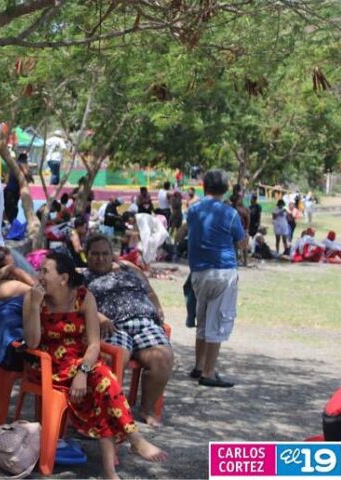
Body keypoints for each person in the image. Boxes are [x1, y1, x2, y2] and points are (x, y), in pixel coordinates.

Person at [23, 252, 167, 478]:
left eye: (44, 271)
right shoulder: (32, 298)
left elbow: (93, 344)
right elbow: (31, 342)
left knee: (102, 383)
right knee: (104, 384)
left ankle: (113, 467)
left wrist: (82, 372)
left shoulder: (83, 297)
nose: (38, 276)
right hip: (49, 364)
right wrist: (33, 307)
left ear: (63, 278)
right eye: (39, 270)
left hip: (82, 361)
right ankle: (131, 443)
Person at [82, 234, 173, 426]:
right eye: (95, 254)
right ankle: (103, 413)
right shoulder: (82, 276)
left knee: (163, 357)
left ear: (112, 254)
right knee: (112, 360)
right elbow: (75, 303)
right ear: (86, 255)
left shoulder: (128, 268)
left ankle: (146, 410)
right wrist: (99, 317)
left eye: (105, 253)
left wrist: (157, 307)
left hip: (145, 322)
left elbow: (149, 291)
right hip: (112, 326)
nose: (100, 258)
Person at [175, 169, 246, 388]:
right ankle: (209, 372)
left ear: (204, 187)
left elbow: (179, 234)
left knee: (203, 321)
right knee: (218, 322)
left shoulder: (194, 209)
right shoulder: (230, 213)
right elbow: (242, 243)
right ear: (225, 189)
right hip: (223, 272)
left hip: (198, 273)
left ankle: (198, 366)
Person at [3, 153, 29, 224]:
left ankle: (5, 224)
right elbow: (26, 173)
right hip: (12, 191)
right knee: (12, 210)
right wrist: (29, 177)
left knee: (7, 209)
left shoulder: (14, 165)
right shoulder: (21, 163)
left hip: (8, 190)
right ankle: (10, 225)